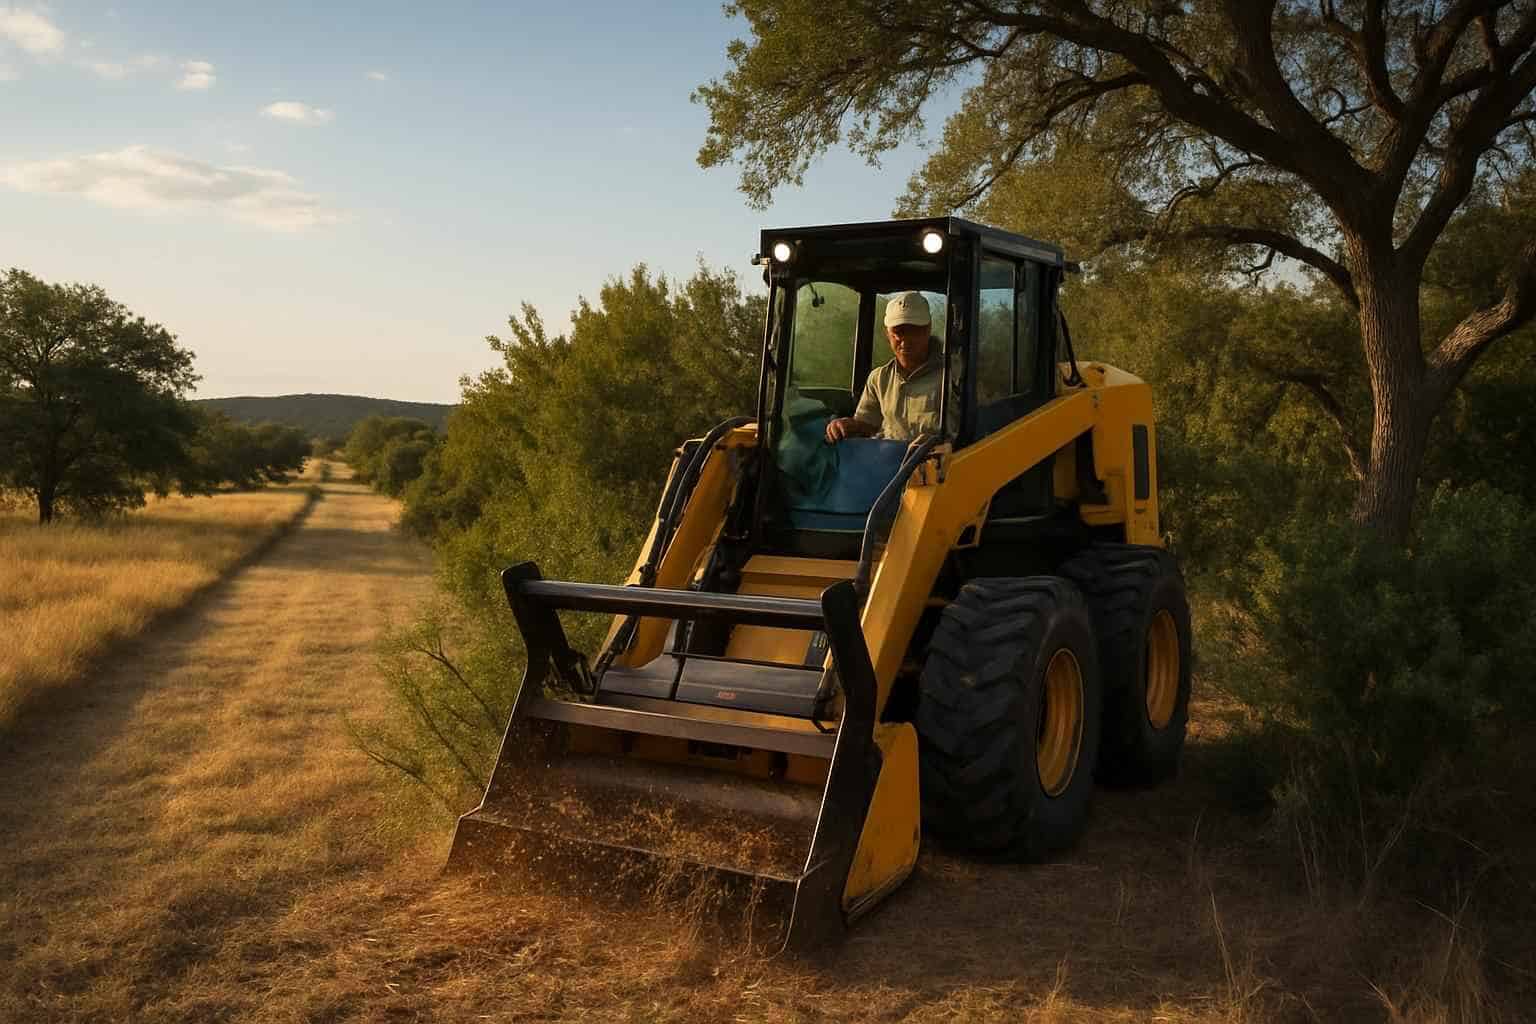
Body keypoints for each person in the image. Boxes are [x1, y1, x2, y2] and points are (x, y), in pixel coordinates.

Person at [825, 291, 942, 443]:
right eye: (898, 332)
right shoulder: (878, 379)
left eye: (913, 331)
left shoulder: (952, 377)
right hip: (888, 457)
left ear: (928, 329)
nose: (905, 340)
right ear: (887, 333)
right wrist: (847, 426)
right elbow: (867, 426)